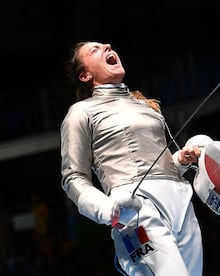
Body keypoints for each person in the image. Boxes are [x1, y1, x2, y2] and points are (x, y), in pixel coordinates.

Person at [60, 41, 204, 275]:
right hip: (135, 207)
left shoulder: (145, 106)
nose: (107, 46)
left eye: (105, 45)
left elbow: (158, 164)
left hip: (180, 200)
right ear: (85, 76)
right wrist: (105, 208)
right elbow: (73, 177)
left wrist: (179, 160)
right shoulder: (81, 112)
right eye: (95, 50)